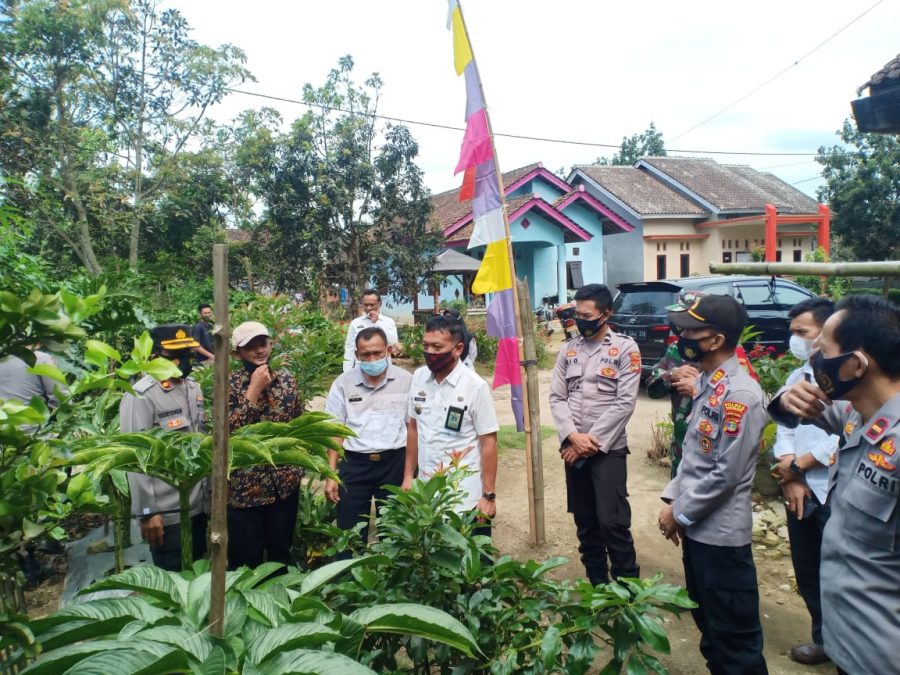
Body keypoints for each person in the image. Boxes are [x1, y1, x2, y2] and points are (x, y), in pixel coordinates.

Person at [769, 294, 900, 675]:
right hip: (851, 644)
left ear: (854, 365)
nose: (813, 359)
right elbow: (783, 407)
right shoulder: (857, 413)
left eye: (822, 351)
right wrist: (787, 398)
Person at [657, 294, 769, 675]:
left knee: (735, 643)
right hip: (699, 530)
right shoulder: (710, 383)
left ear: (716, 339)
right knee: (710, 631)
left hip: (720, 537)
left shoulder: (741, 395)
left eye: (689, 330)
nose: (680, 337)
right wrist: (673, 501)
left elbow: (726, 474)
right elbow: (693, 454)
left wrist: (680, 514)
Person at [549, 283, 641, 585]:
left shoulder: (626, 348)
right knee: (586, 522)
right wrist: (572, 436)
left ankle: (629, 590)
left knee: (613, 522)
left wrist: (590, 442)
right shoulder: (569, 349)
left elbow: (624, 402)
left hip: (608, 450)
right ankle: (598, 585)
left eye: (587, 315)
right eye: (578, 314)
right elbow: (557, 397)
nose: (581, 320)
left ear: (606, 314)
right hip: (572, 447)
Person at [770, 297, 838, 666]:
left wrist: (799, 466)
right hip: (801, 489)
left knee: (841, 575)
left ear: (826, 333)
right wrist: (790, 474)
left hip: (834, 490)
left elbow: (844, 435)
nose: (793, 339)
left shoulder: (846, 382)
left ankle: (850, 647)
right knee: (808, 568)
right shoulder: (797, 377)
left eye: (801, 332)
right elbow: (784, 429)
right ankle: (823, 639)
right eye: (791, 331)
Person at [121, 324, 208, 571]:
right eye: (175, 355)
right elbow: (135, 456)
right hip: (167, 512)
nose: (184, 360)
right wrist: (147, 512)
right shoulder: (140, 395)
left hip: (197, 504)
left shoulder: (193, 388)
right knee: (174, 578)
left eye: (188, 353)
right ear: (154, 357)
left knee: (199, 570)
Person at [403, 315, 499, 534]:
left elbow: (488, 443)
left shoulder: (475, 387)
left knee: (471, 561)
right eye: (425, 345)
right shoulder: (418, 378)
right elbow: (413, 429)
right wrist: (409, 476)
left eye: (437, 347)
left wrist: (488, 495)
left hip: (464, 496)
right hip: (426, 493)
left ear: (458, 349)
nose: (430, 353)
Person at [647, 291, 759, 478]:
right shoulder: (675, 349)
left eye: (690, 324)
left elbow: (728, 471)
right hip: (682, 445)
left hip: (711, 454)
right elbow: (652, 387)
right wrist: (672, 374)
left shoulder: (733, 357)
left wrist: (698, 390)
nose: (681, 329)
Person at [324, 327, 412, 552]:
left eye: (377, 353)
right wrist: (331, 475)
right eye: (365, 355)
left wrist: (409, 475)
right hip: (355, 466)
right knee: (349, 535)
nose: (372, 359)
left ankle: (394, 582)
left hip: (394, 464)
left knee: (395, 533)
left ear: (388, 350)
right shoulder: (343, 384)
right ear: (357, 355)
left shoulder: (407, 382)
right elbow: (336, 430)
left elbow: (413, 429)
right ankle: (346, 581)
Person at [227, 321, 304, 569]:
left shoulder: (287, 382)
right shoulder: (228, 386)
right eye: (251, 346)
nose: (259, 350)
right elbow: (226, 434)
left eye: (263, 343)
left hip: (283, 486)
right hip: (245, 493)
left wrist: (297, 469)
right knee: (245, 562)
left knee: (280, 557)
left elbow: (299, 427)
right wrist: (253, 391)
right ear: (236, 353)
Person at [343, 289, 399, 372]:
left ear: (379, 304)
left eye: (372, 305)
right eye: (366, 305)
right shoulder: (355, 323)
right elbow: (349, 348)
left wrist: (377, 323)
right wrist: (347, 372)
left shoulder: (388, 322)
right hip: (361, 368)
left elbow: (393, 342)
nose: (369, 308)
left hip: (383, 367)